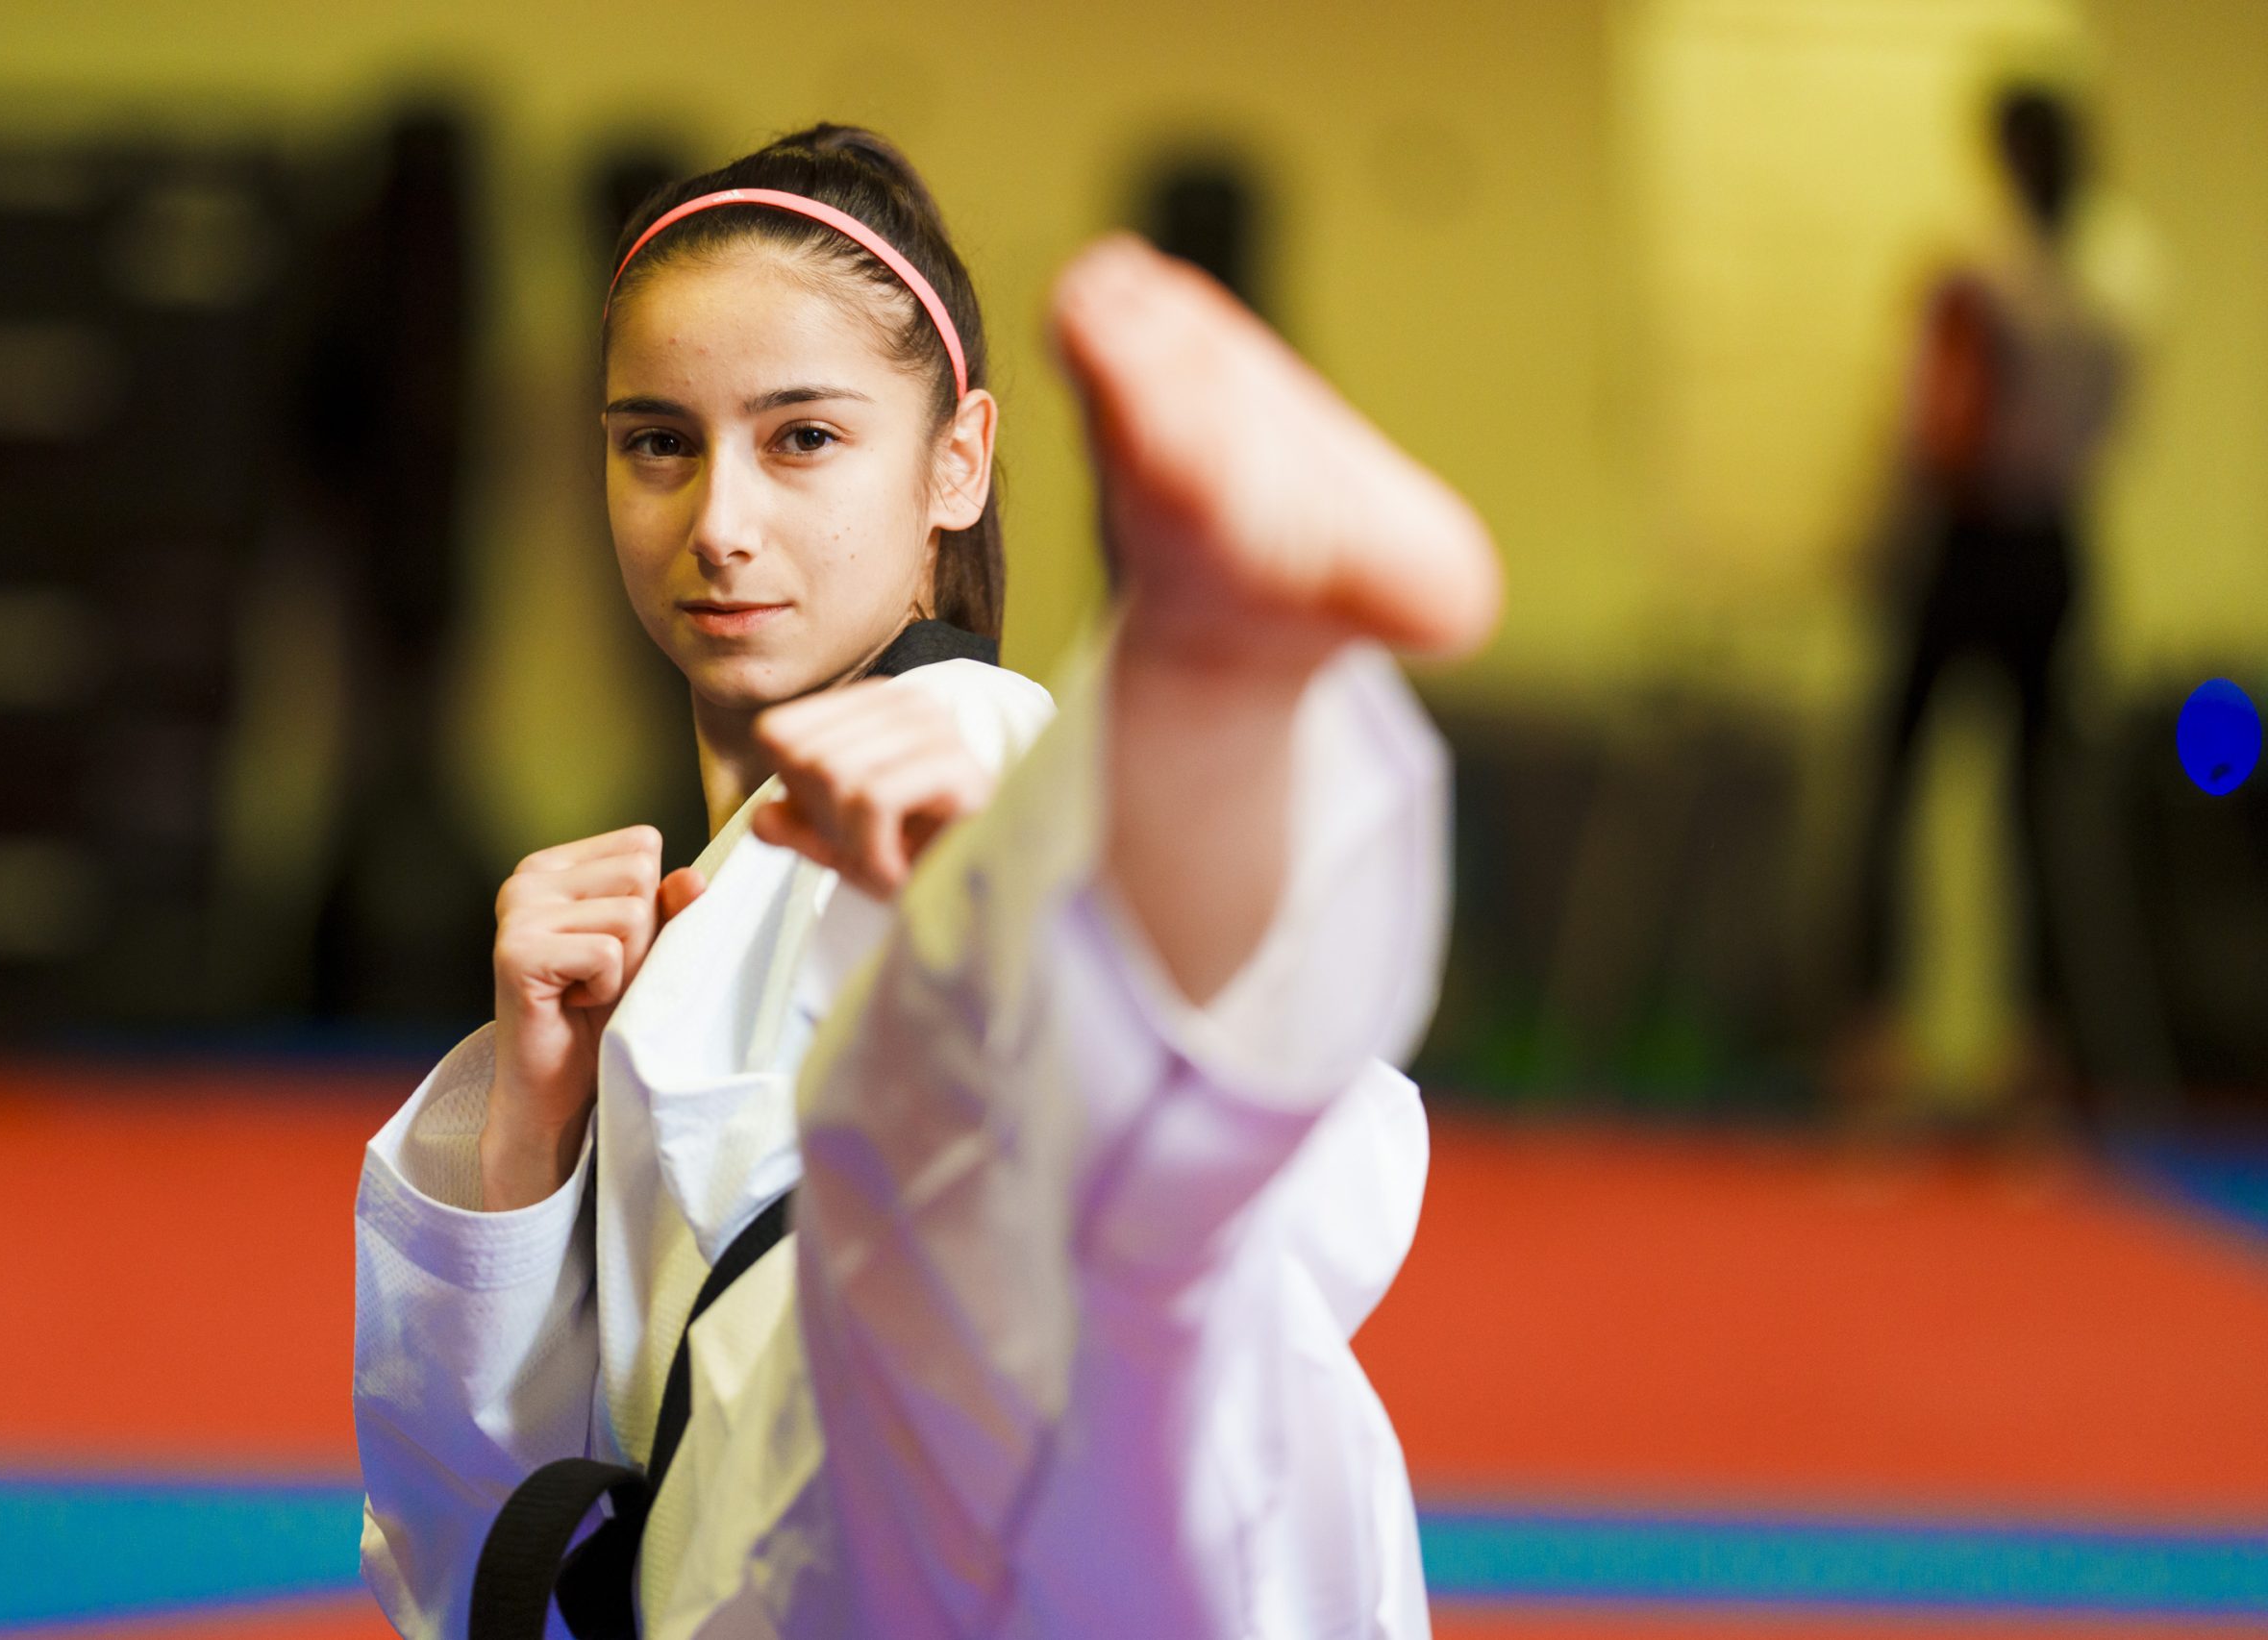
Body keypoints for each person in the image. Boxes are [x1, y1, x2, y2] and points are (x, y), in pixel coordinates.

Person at [353, 123, 1502, 1639]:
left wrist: (1014, 884)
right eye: (658, 441)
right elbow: (482, 1548)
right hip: (870, 1538)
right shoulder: (666, 918)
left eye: (803, 437)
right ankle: (1214, 715)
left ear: (957, 461)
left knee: (995, 1208)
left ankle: (1212, 708)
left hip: (938, 1465)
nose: (722, 522)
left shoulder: (969, 751)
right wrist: (529, 1129)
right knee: (1037, 1261)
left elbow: (1326, 1178)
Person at [1840, 84, 2129, 1126]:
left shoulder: (1979, 273)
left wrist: (1877, 544)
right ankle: (2029, 1056)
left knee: (1908, 790)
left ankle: (1883, 1040)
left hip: (1969, 544)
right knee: (2033, 809)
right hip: (2053, 545)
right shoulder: (2123, 279)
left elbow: (1934, 425)